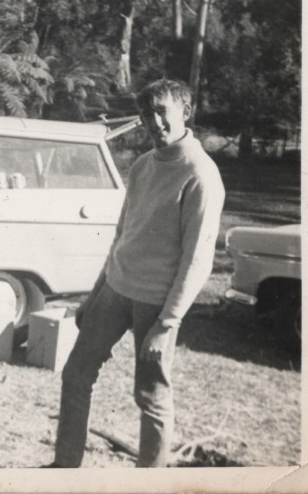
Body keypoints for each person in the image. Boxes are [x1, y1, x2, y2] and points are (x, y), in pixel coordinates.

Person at [50, 78, 225, 468]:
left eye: (162, 111)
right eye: (147, 113)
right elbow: (121, 237)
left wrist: (167, 323)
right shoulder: (144, 165)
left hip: (157, 304)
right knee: (76, 374)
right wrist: (94, 296)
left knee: (151, 397)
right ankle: (64, 470)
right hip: (115, 290)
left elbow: (198, 259)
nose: (154, 121)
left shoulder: (201, 173)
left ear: (185, 112)